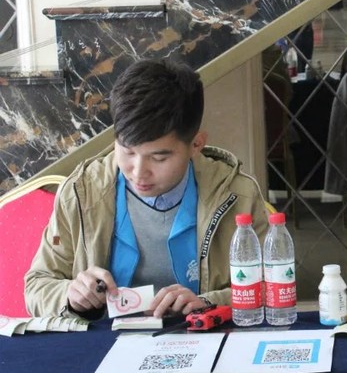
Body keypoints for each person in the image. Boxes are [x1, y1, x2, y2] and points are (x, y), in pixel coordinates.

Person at [24, 58, 269, 319]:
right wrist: (71, 295)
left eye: (159, 158)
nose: (138, 172)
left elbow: (272, 285)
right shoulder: (82, 192)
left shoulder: (237, 194)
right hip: (105, 338)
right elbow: (37, 286)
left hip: (201, 334)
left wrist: (208, 302)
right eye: (127, 151)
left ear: (196, 145)